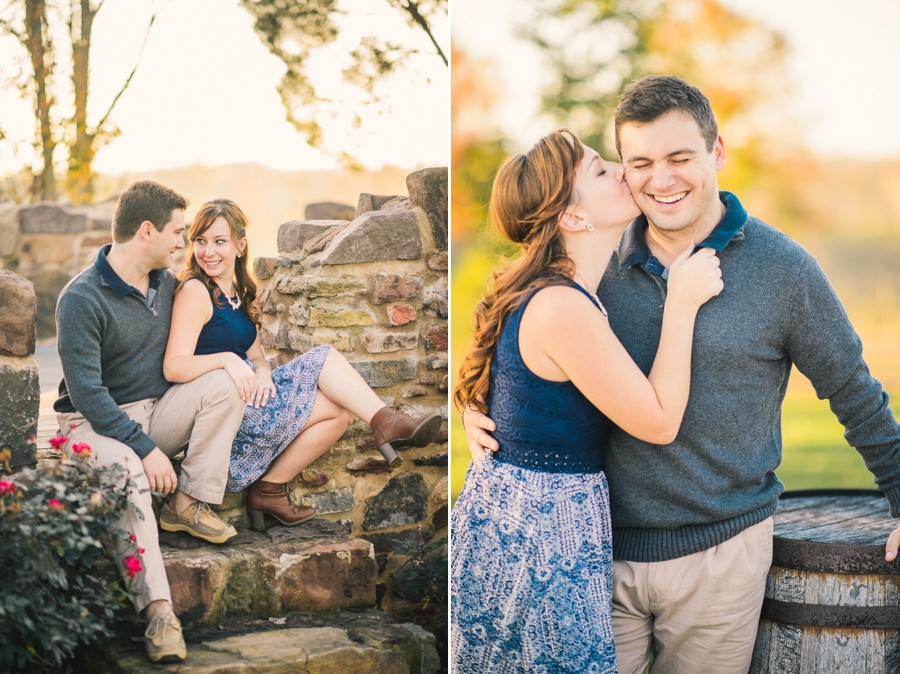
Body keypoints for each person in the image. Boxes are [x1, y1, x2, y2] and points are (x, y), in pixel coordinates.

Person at [463, 76, 900, 674]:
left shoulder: (785, 270)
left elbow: (853, 390)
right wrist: (484, 414)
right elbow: (522, 343)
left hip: (719, 556)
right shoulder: (595, 264)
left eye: (679, 158)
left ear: (716, 152)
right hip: (593, 557)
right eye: (638, 162)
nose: (660, 180)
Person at [451, 129, 724, 673]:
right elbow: (660, 420)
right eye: (601, 171)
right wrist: (683, 301)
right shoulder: (561, 305)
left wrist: (471, 408)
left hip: (532, 517)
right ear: (573, 218)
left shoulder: (559, 291)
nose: (624, 170)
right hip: (539, 532)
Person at [54, 181, 247, 664]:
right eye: (179, 233)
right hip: (92, 425)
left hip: (156, 412)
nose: (185, 244)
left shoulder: (167, 285)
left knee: (224, 382)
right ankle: (160, 612)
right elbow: (88, 394)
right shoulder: (80, 298)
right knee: (128, 472)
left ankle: (189, 502)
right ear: (147, 231)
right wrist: (144, 448)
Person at [162, 198, 442, 529]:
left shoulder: (237, 292)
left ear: (240, 245)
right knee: (323, 357)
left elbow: (254, 356)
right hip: (227, 415)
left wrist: (264, 373)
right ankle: (387, 422)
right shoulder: (196, 291)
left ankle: (269, 489)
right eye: (201, 241)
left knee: (340, 413)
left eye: (219, 241)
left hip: (253, 398)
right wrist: (225, 361)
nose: (208, 251)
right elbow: (174, 367)